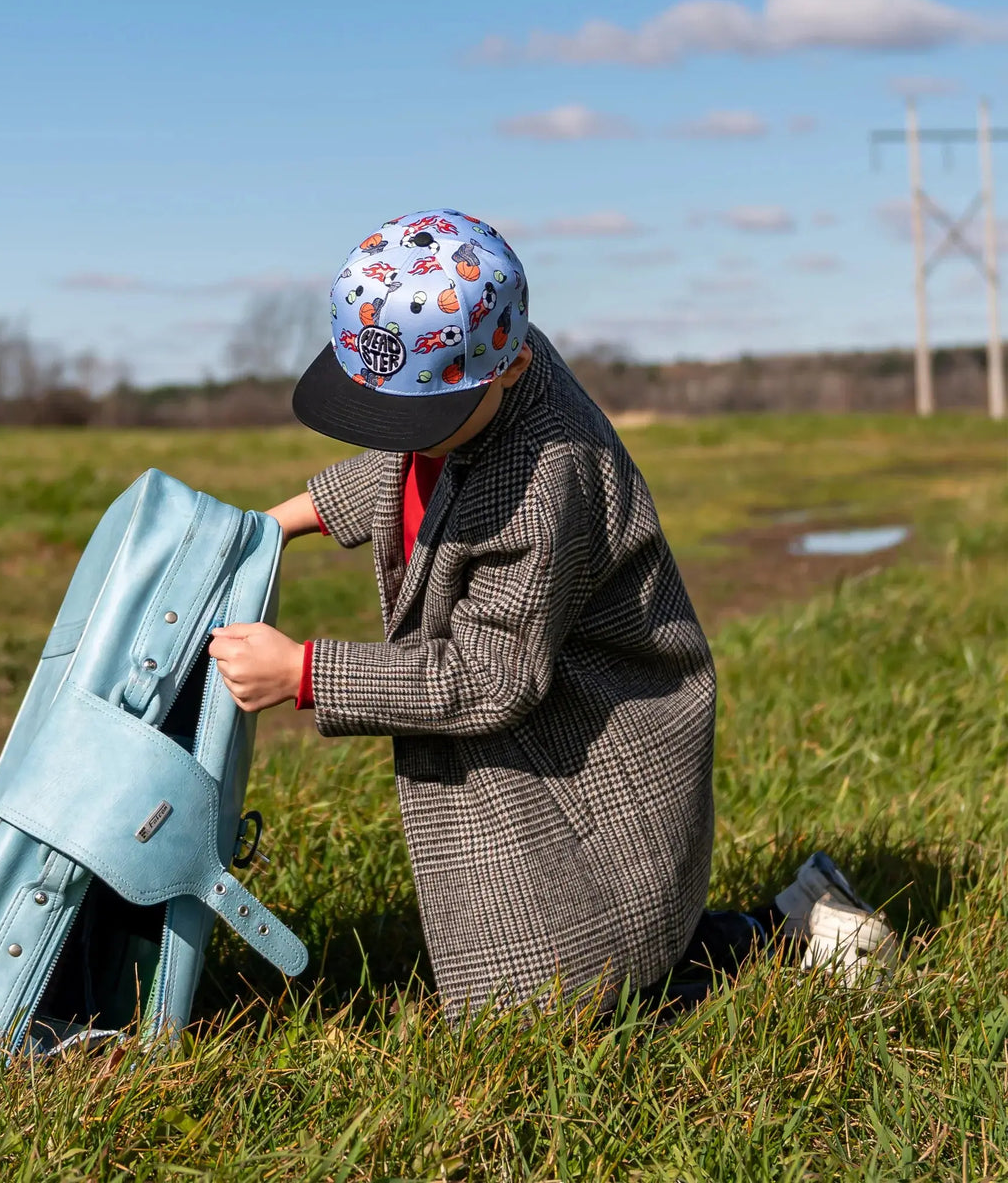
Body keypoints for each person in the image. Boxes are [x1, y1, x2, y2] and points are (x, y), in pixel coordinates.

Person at [208, 209, 896, 1018]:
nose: (403, 436)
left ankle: (804, 942)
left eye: (419, 419)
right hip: (548, 708)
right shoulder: (475, 366)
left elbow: (490, 677)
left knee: (557, 992)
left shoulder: (541, 481)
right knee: (582, 948)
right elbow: (401, 461)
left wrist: (306, 674)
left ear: (513, 366)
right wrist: (277, 524)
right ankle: (781, 927)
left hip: (594, 732)